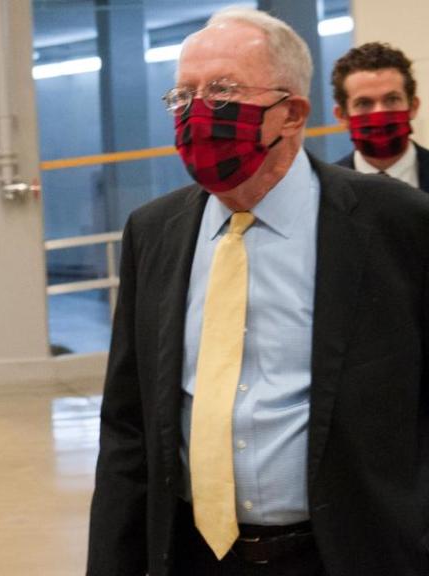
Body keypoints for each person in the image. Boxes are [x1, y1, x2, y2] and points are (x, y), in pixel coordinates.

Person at [87, 8, 429, 576]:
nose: (198, 113)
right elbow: (129, 425)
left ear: (291, 113)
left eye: (222, 91)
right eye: (182, 96)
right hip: (194, 553)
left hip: (346, 552)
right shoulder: (154, 232)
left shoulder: (400, 225)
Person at [331, 42, 429, 191]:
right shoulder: (324, 190)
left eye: (392, 100)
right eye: (364, 103)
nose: (379, 112)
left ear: (413, 106)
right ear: (342, 116)